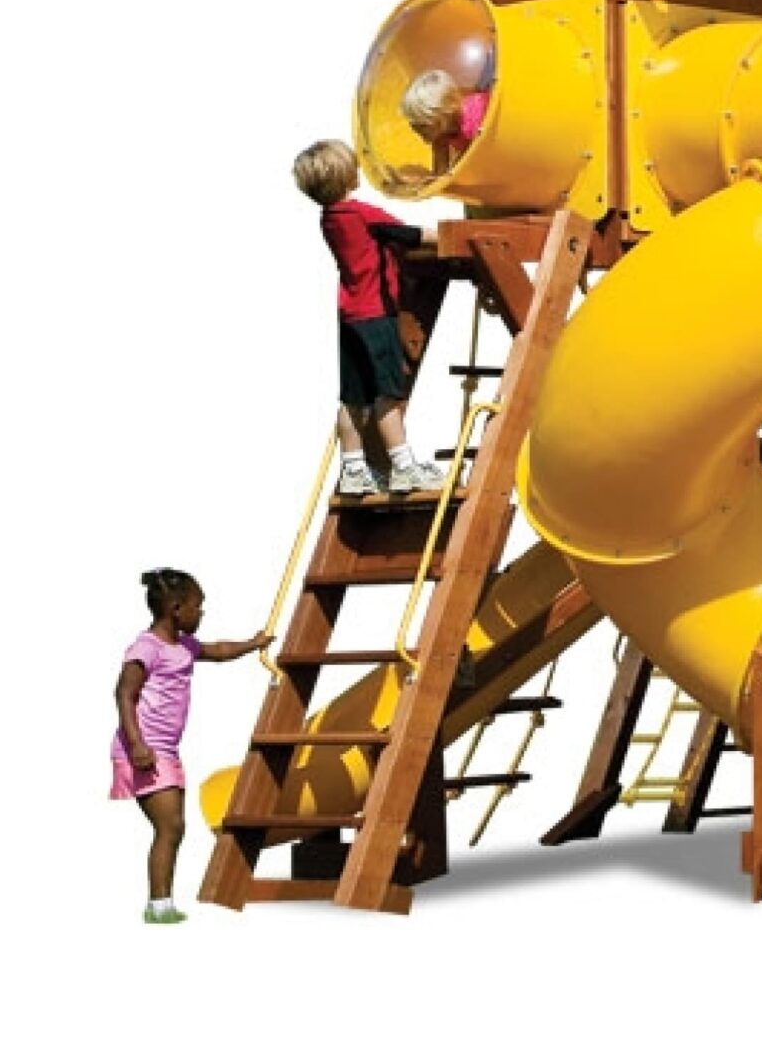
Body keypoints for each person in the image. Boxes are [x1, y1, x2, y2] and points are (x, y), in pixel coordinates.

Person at [113, 569, 272, 923]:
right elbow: (124, 693)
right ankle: (159, 905)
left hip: (165, 750)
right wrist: (137, 743)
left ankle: (161, 903)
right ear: (175, 608)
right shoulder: (147, 647)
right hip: (144, 749)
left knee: (173, 828)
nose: (202, 612)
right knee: (170, 827)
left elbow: (219, 650)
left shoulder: (183, 646)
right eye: (198, 606)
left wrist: (253, 643)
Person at [293, 140, 446, 495]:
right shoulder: (362, 213)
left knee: (353, 399)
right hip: (376, 314)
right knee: (388, 395)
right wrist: (452, 237)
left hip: (349, 315)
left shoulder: (329, 219)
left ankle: (353, 469)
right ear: (348, 176)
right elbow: (410, 235)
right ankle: (404, 466)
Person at [399, 69, 492, 173]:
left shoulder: (476, 119)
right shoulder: (442, 133)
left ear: (443, 116)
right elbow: (440, 173)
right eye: (412, 124)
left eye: (421, 125)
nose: (415, 130)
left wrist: (454, 168)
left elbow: (473, 161)